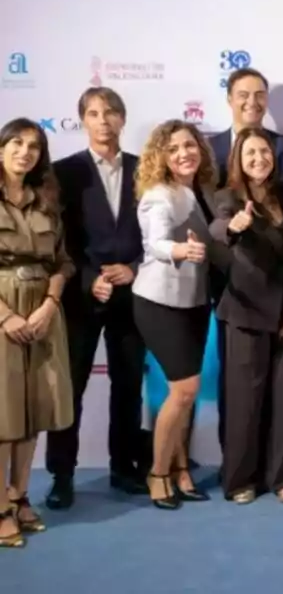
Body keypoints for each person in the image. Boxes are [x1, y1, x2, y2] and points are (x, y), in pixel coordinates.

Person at [201, 67, 283, 458]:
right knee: (238, 388)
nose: (252, 102)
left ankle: (277, 467)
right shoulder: (209, 148)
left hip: (282, 291)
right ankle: (236, 466)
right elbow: (210, 216)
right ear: (229, 98)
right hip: (231, 288)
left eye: (259, 95)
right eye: (243, 94)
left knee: (282, 389)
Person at [44, 88, 148, 510]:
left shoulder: (145, 169)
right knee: (71, 389)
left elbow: (158, 232)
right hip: (80, 299)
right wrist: (90, 280)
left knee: (129, 387)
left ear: (123, 118)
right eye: (93, 113)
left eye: (111, 112)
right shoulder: (63, 172)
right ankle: (62, 475)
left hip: (133, 296)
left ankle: (124, 467)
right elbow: (58, 240)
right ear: (82, 121)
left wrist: (135, 267)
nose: (103, 120)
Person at [131, 119, 227, 510]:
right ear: (161, 157)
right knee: (184, 391)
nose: (183, 153)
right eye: (173, 149)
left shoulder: (204, 191)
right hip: (159, 303)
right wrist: (180, 250)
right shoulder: (159, 195)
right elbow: (154, 243)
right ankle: (158, 473)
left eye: (189, 145)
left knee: (184, 395)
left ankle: (181, 469)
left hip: (195, 302)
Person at [209, 127, 283, 505]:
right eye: (250, 153)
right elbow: (219, 227)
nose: (258, 159)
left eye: (264, 151)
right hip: (245, 312)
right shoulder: (228, 197)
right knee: (244, 403)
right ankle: (240, 480)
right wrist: (234, 226)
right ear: (238, 159)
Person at [0, 119, 74, 549]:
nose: (24, 152)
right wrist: (5, 317)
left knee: (33, 411)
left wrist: (50, 303)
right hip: (4, 314)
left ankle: (20, 495)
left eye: (33, 146)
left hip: (43, 312)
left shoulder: (45, 201)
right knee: (4, 414)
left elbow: (63, 262)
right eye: (16, 143)